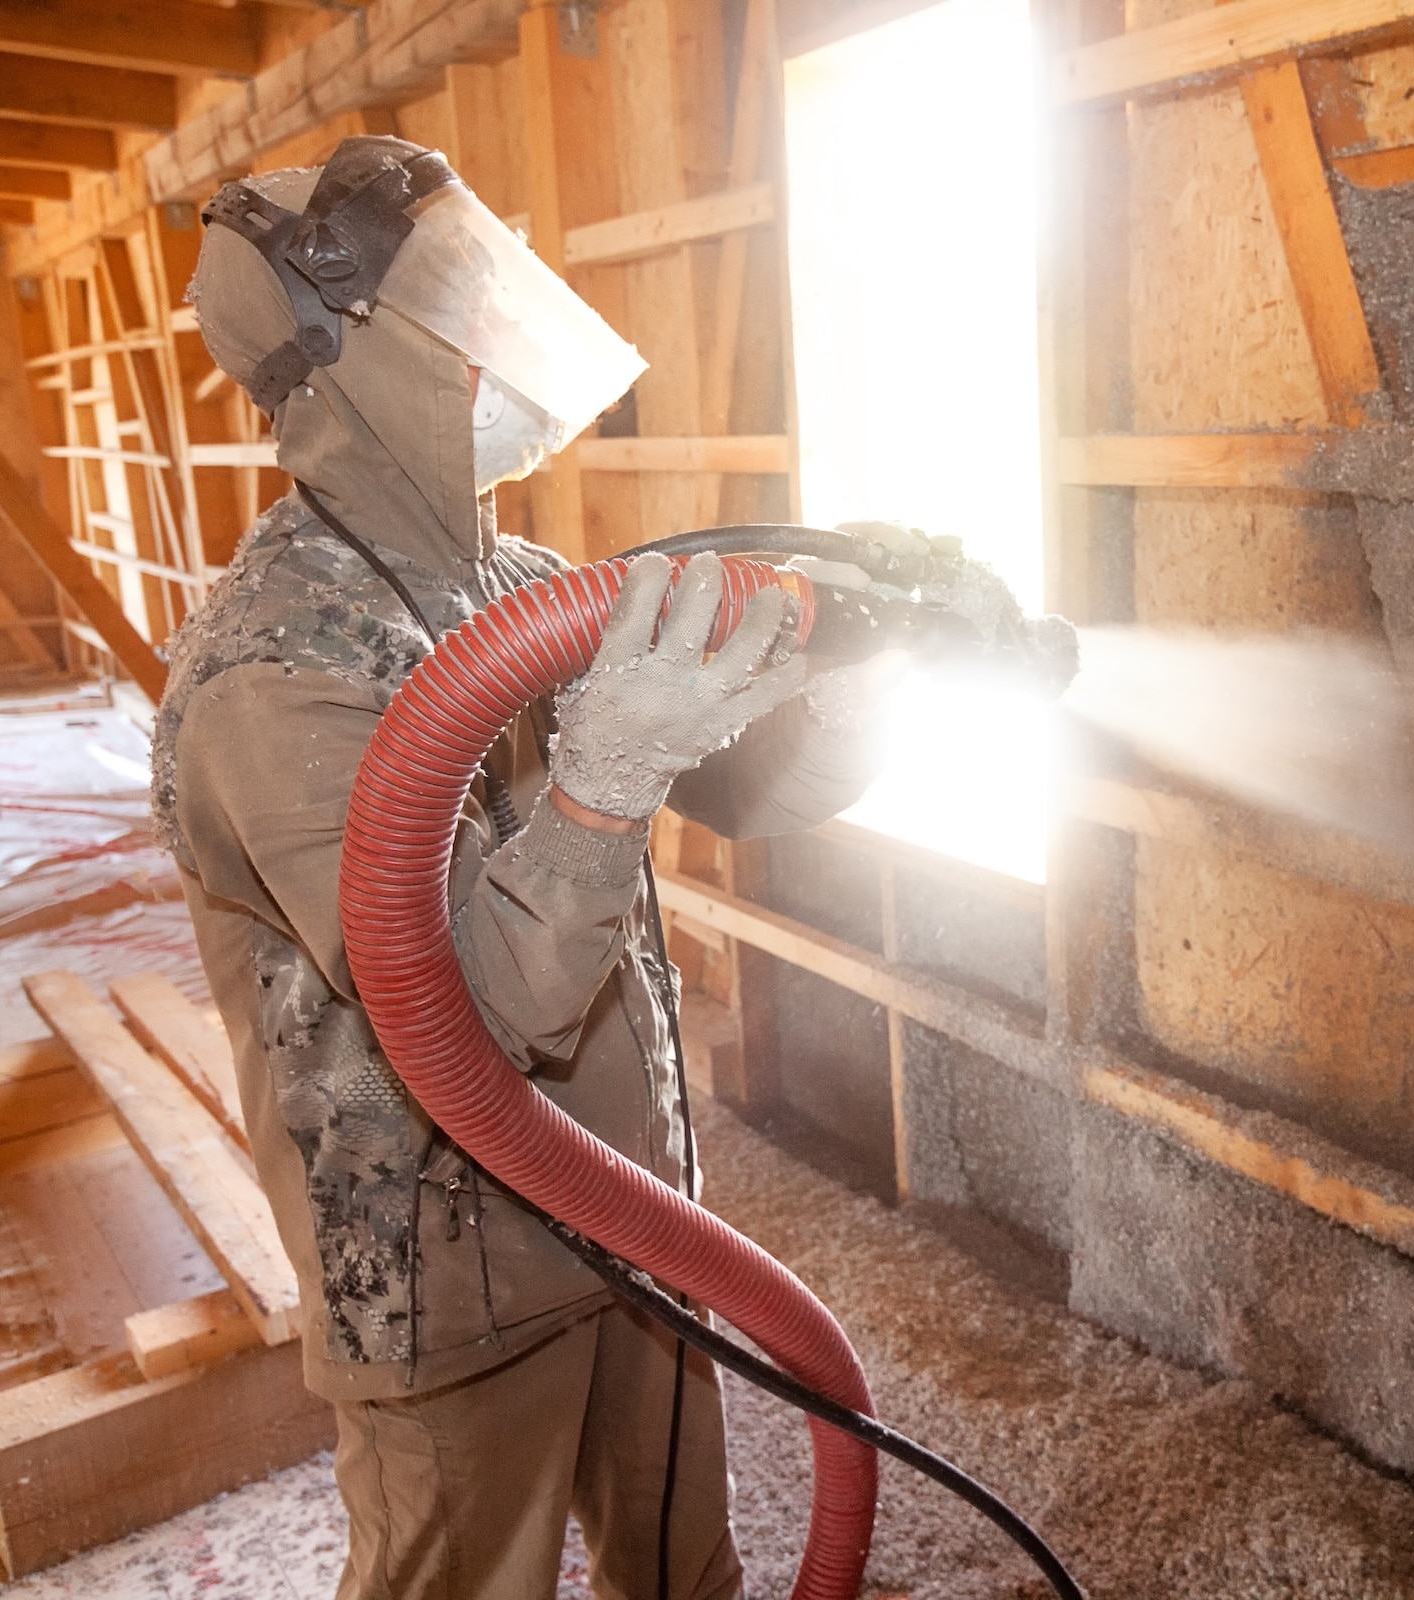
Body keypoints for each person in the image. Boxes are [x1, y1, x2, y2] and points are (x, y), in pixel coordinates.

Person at [151, 136, 882, 1599]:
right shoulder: (276, 672)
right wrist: (605, 784)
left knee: (689, 1574)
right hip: (444, 1283)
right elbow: (475, 1020)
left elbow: (759, 787)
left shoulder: (523, 590)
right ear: (338, 347)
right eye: (463, 302)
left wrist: (853, 673)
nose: (508, 335)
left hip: (634, 1221)